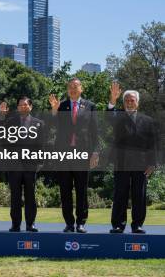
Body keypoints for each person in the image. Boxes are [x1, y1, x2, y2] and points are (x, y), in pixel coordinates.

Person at [49, 77, 99, 233]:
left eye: (75, 86)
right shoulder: (61, 106)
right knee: (65, 190)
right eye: (70, 86)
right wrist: (54, 112)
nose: (72, 89)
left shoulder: (90, 106)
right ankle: (69, 223)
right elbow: (52, 127)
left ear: (81, 89)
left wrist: (96, 152)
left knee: (81, 190)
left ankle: (81, 223)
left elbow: (95, 132)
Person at [107, 82, 157, 234]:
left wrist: (152, 163)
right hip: (121, 163)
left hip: (141, 164)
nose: (129, 103)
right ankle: (118, 225)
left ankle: (137, 225)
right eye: (127, 100)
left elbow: (152, 144)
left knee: (139, 195)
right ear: (123, 103)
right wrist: (112, 100)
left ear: (137, 103)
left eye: (132, 100)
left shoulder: (147, 120)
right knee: (120, 194)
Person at [5, 97, 45, 232]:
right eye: (20, 105)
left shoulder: (39, 123)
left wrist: (40, 162)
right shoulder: (10, 123)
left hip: (31, 165)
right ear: (17, 108)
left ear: (31, 107)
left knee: (30, 196)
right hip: (14, 165)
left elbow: (41, 145)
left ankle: (30, 224)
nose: (23, 107)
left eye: (26, 105)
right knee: (15, 196)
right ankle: (15, 224)